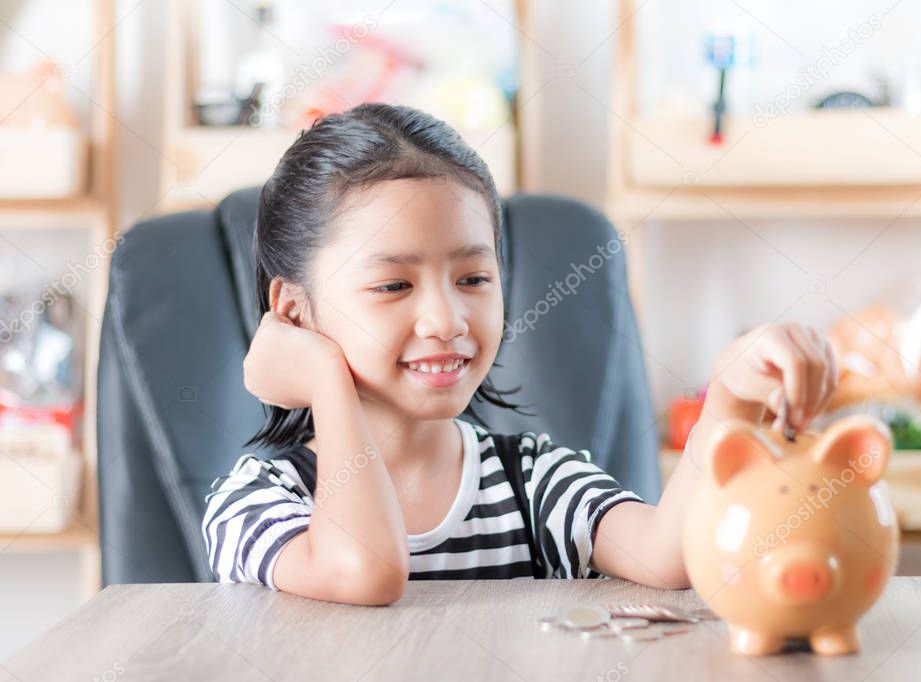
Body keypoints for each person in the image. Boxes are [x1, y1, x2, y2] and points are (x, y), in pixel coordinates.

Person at [202, 103, 838, 604]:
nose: (447, 320)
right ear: (292, 310)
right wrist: (324, 380)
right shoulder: (257, 501)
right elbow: (365, 573)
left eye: (474, 279)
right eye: (394, 285)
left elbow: (669, 558)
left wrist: (728, 397)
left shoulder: (529, 480)